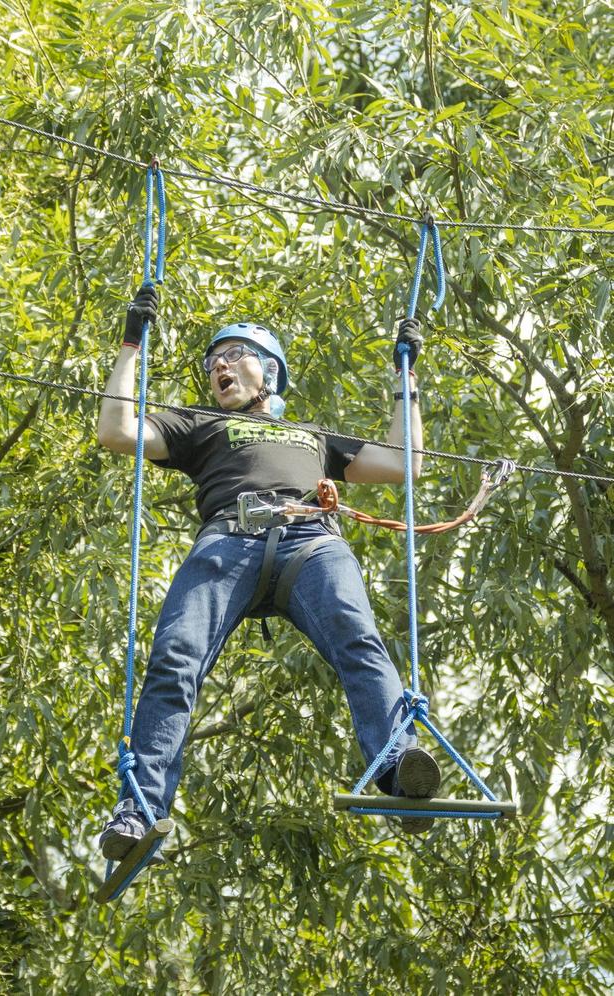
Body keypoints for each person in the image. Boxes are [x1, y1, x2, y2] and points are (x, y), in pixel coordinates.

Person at [97, 285, 441, 860]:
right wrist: (132, 343)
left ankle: (400, 769)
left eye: (233, 356)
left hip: (312, 542)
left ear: (271, 372)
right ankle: (139, 809)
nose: (219, 367)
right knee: (174, 659)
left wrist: (407, 381)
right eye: (212, 362)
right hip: (228, 540)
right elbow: (117, 432)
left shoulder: (314, 437)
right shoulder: (199, 424)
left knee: (360, 642)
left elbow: (406, 463)